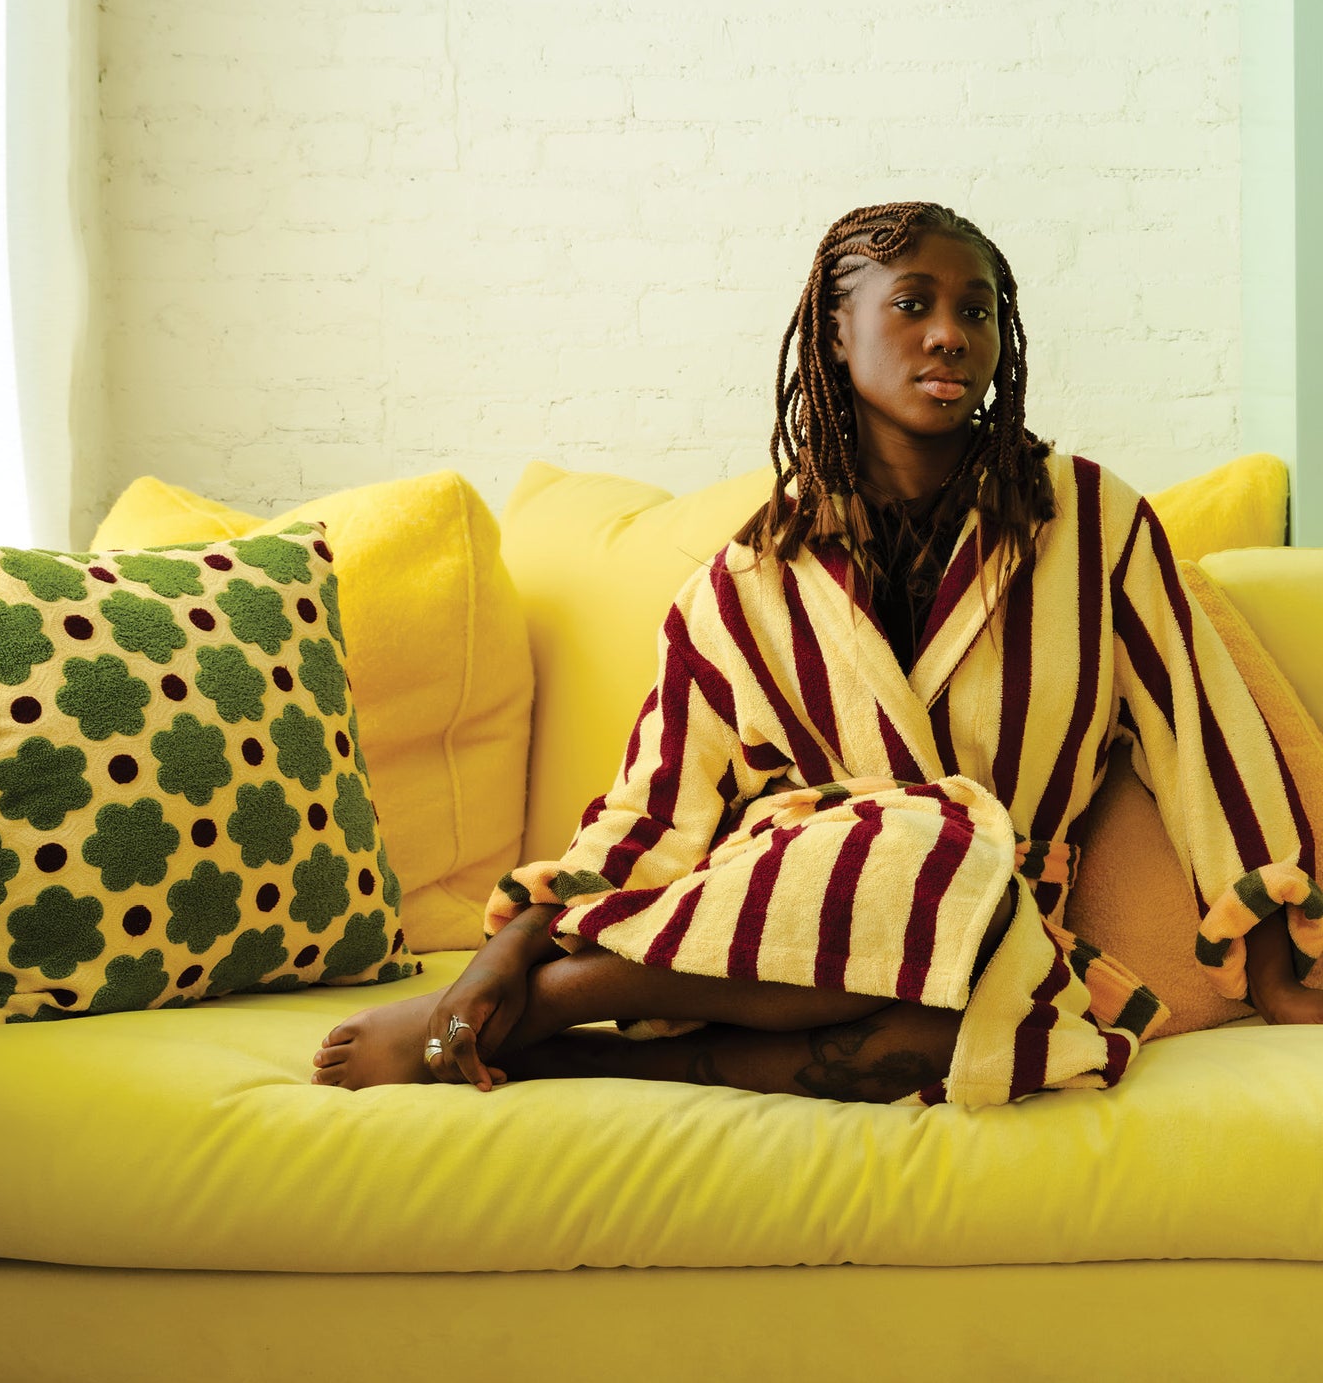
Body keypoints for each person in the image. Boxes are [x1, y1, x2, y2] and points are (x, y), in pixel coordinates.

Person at [312, 201, 1323, 1105]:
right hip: (779, 912)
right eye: (912, 303)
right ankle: (538, 992)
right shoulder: (743, 580)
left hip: (985, 932)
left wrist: (1276, 955)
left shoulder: (1092, 523)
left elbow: (1204, 734)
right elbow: (653, 809)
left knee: (958, 1023)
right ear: (836, 331)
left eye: (976, 312)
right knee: (927, 832)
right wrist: (507, 946)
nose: (949, 335)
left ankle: (549, 1042)